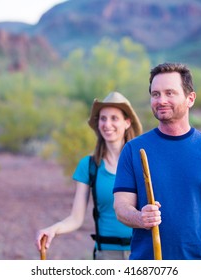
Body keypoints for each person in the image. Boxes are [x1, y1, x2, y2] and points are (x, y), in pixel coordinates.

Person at [113, 62, 201, 260]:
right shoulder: (134, 150)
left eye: (170, 93)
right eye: (155, 94)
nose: (161, 100)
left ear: (190, 99)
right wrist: (140, 217)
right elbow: (121, 207)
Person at [36, 91, 143, 260]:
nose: (107, 124)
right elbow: (76, 218)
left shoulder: (142, 163)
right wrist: (53, 229)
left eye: (114, 118)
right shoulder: (89, 166)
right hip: (106, 255)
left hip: (142, 252)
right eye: (103, 118)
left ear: (127, 122)